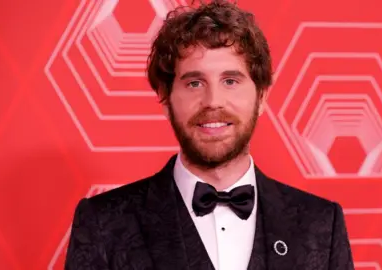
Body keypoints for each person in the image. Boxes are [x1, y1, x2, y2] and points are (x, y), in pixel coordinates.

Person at [64, 1, 354, 269]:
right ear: (165, 98)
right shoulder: (104, 223)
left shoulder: (320, 224)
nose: (213, 100)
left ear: (262, 96)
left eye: (230, 81)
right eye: (194, 83)